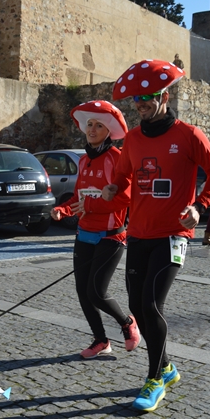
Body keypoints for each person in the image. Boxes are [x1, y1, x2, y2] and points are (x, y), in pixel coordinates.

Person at [102, 59, 210, 412]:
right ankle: (167, 367)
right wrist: (112, 187)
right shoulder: (134, 138)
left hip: (174, 235)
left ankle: (154, 379)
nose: (141, 104)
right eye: (137, 99)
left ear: (164, 96)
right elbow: (124, 176)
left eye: (148, 97)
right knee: (138, 307)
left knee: (153, 304)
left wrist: (200, 205)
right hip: (138, 233)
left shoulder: (188, 134)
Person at [50, 100, 140, 359]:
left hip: (111, 236)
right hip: (84, 234)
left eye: (98, 125)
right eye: (89, 124)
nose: (92, 129)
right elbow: (78, 197)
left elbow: (125, 198)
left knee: (96, 292)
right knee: (82, 291)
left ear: (109, 131)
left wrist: (88, 205)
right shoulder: (82, 160)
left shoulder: (117, 159)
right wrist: (63, 210)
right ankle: (101, 340)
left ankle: (126, 323)